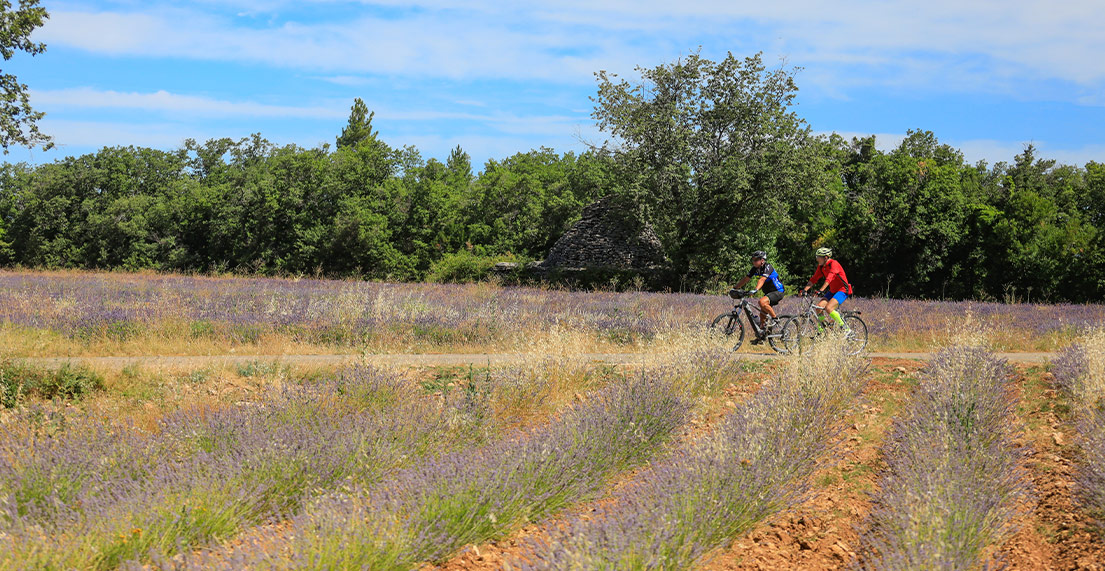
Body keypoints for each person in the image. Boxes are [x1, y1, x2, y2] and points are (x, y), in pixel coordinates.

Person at [733, 250, 785, 344]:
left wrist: (756, 289)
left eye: (756, 259)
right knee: (762, 317)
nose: (754, 261)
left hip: (778, 291)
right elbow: (746, 279)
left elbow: (762, 280)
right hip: (768, 293)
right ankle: (762, 337)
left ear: (762, 260)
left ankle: (775, 319)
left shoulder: (768, 267)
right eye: (753, 260)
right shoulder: (754, 269)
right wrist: (736, 287)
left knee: (761, 302)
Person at [801, 247, 853, 331]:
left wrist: (821, 290)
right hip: (833, 291)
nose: (817, 259)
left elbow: (829, 278)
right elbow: (814, 279)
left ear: (825, 257)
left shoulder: (834, 264)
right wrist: (805, 290)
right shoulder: (821, 267)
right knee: (818, 307)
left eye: (818, 257)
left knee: (828, 308)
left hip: (843, 290)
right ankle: (822, 331)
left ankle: (846, 329)